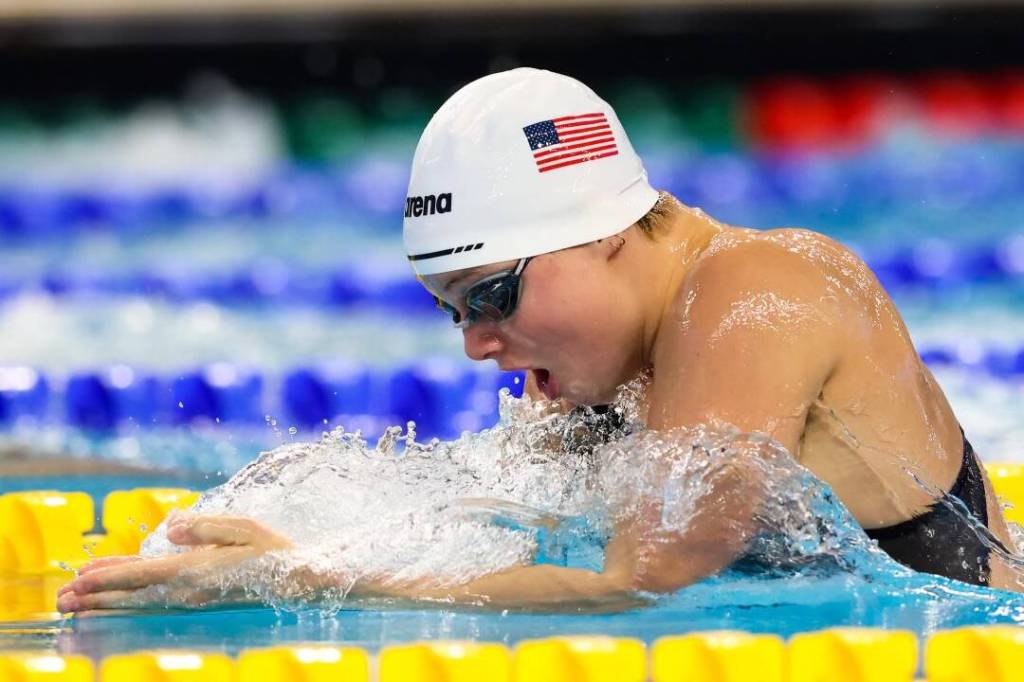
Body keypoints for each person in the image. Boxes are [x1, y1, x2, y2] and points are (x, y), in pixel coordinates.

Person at [57, 68, 1019, 615]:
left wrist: (301, 575)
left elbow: (633, 582)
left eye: (495, 295)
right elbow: (490, 521)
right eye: (456, 310)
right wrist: (303, 537)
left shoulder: (751, 296)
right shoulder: (600, 368)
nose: (479, 347)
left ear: (602, 228)